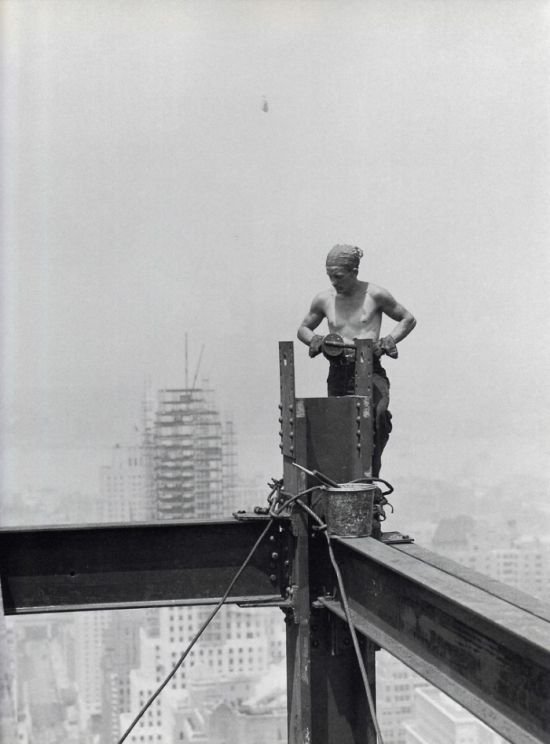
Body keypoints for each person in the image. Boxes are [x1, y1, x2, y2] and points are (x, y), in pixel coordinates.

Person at [297, 244, 416, 476]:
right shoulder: (324, 299)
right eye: (330, 276)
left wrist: (389, 341)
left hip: (371, 369)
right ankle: (344, 478)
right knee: (341, 424)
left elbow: (407, 319)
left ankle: (372, 474)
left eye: (339, 276)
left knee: (378, 417)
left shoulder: (375, 294)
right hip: (339, 370)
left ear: (354, 271)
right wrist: (318, 340)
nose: (334, 281)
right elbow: (303, 329)